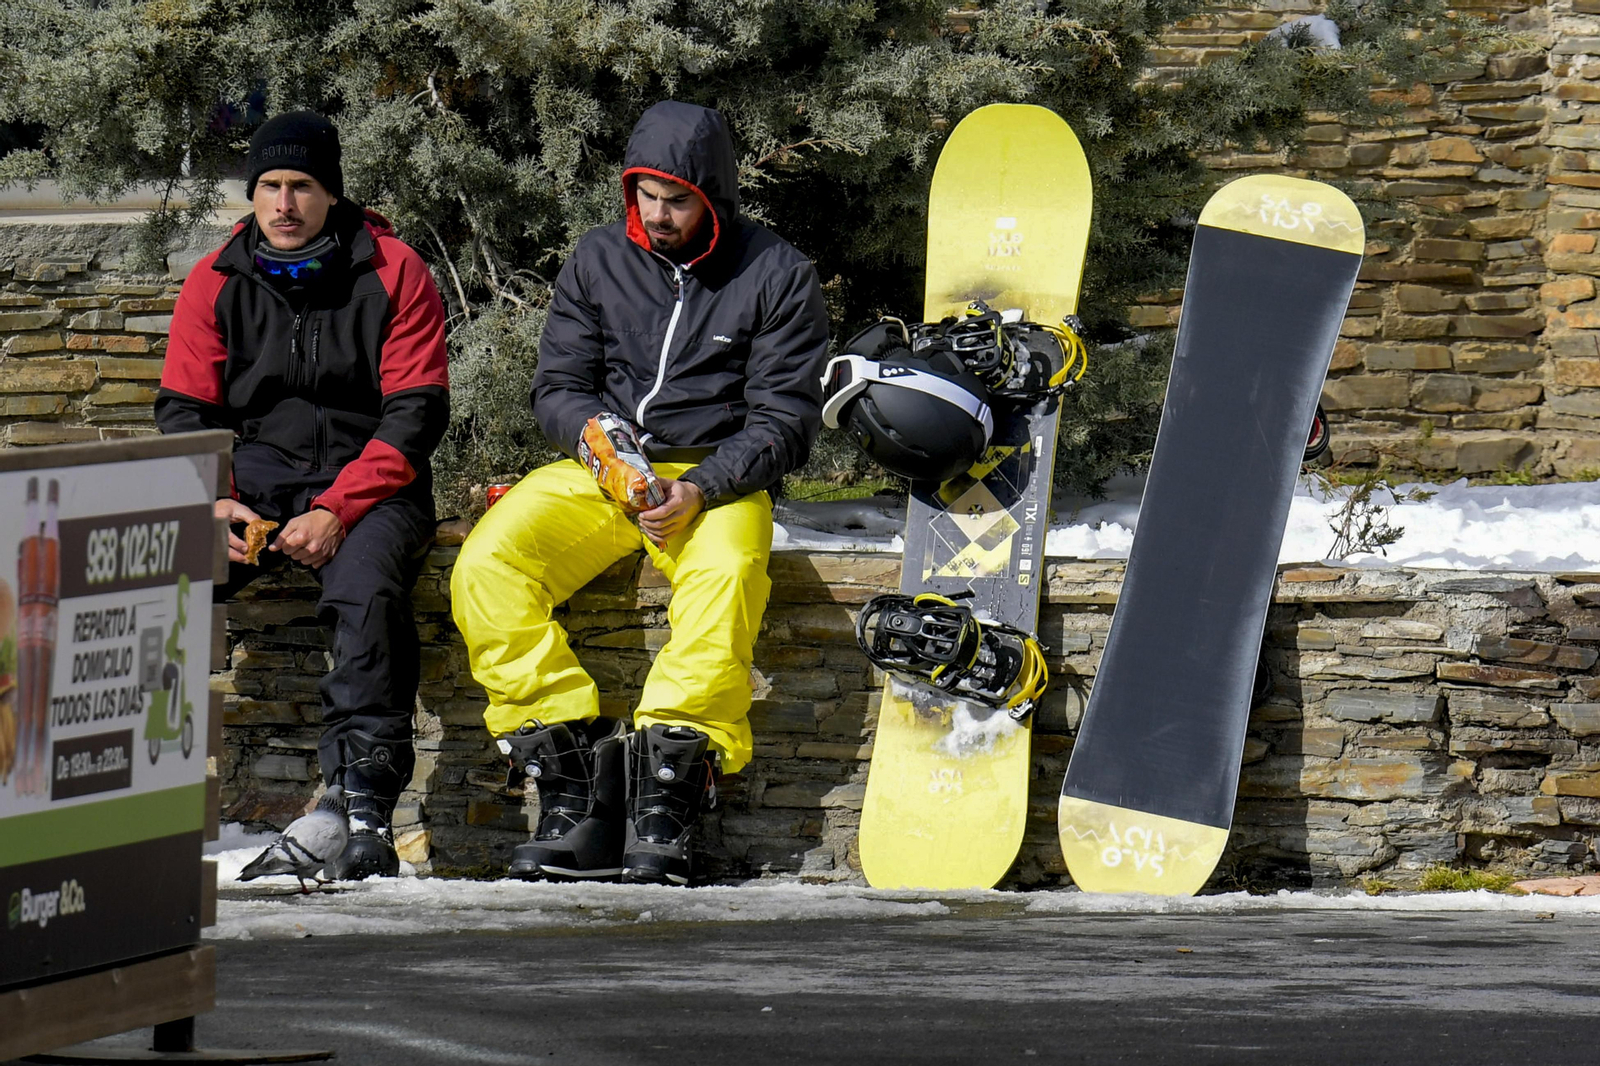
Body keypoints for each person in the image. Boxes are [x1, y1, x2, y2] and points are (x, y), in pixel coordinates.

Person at [451, 100, 829, 885]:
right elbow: (557, 386)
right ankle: (572, 784)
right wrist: (603, 446)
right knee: (488, 563)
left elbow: (785, 419)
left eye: (677, 200)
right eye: (646, 196)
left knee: (726, 577)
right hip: (607, 472)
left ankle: (667, 798)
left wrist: (701, 487)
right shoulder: (596, 258)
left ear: (713, 197)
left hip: (715, 479)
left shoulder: (776, 273)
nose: (658, 214)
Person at [157, 111, 450, 880]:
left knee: (365, 595)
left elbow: (417, 411)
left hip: (373, 483)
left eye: (302, 187)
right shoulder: (215, 276)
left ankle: (362, 808)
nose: (284, 204)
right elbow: (185, 410)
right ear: (252, 194)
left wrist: (338, 509)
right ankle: (131, 792)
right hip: (255, 479)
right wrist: (212, 500)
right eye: (269, 187)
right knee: (150, 575)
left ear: (331, 194)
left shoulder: (393, 269)